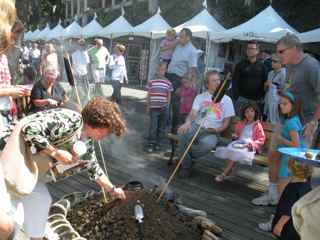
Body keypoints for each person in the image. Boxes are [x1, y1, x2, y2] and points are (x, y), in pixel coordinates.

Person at [0, 97, 127, 239]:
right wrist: (55, 152)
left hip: (25, 169)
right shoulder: (72, 119)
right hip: (7, 159)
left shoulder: (86, 140)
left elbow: (93, 166)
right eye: (106, 130)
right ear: (98, 123)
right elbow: (29, 129)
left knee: (41, 200)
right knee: (9, 224)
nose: (106, 135)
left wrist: (112, 189)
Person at [252, 34, 320, 206]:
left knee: (294, 168)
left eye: (281, 51)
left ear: (295, 49)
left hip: (304, 124)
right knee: (273, 156)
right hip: (286, 119)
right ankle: (273, 195)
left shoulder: (311, 66)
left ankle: (287, 210)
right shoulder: (289, 66)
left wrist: (313, 122)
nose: (278, 56)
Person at [177, 70, 235, 178]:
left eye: (218, 80)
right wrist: (188, 122)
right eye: (214, 81)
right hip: (197, 125)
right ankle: (186, 166)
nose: (218, 83)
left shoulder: (227, 100)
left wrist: (218, 130)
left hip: (212, 131)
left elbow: (227, 122)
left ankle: (187, 159)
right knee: (181, 133)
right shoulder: (200, 97)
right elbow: (193, 113)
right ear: (207, 84)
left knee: (208, 144)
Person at [253, 91, 306, 206]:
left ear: (293, 105)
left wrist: (280, 139)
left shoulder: (291, 122)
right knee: (286, 189)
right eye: (280, 103)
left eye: (285, 104)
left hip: (290, 159)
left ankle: (277, 217)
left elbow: (296, 145)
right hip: (291, 158)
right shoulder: (293, 119)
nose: (281, 106)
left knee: (283, 189)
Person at [258, 158, 313, 240]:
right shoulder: (307, 186)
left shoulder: (292, 188)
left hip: (287, 225)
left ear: (290, 169)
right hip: (297, 224)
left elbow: (288, 210)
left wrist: (280, 225)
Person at [214, 103, 265, 182]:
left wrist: (252, 145)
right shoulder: (241, 123)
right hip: (239, 144)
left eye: (252, 111)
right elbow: (237, 134)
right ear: (244, 114)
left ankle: (224, 174)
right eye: (247, 112)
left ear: (255, 112)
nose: (249, 114)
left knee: (235, 152)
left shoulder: (257, 125)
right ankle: (229, 170)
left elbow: (261, 139)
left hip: (249, 146)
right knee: (230, 150)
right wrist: (235, 136)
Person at [166, 28, 198, 134]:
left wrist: (183, 86)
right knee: (165, 104)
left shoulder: (193, 51)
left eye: (182, 36)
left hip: (179, 79)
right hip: (169, 76)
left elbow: (192, 70)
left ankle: (175, 134)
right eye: (179, 36)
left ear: (188, 38)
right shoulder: (178, 45)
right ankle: (162, 131)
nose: (179, 38)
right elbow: (166, 48)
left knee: (176, 109)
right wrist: (177, 40)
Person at [232, 41, 268, 115]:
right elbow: (234, 81)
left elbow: (265, 83)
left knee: (253, 123)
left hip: (256, 101)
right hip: (241, 99)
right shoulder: (240, 65)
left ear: (257, 51)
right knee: (238, 121)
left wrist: (261, 98)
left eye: (252, 48)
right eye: (248, 48)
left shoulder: (262, 67)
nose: (249, 50)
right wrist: (236, 97)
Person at [146, 62, 173, 152]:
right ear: (156, 70)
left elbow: (169, 95)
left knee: (162, 127)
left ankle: (159, 143)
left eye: (162, 70)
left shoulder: (168, 83)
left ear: (165, 71)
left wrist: (168, 106)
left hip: (164, 108)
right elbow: (149, 94)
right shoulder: (151, 81)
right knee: (153, 126)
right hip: (154, 108)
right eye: (158, 69)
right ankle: (151, 142)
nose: (160, 71)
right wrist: (148, 105)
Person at [264, 54, 286, 123]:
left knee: (277, 122)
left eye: (275, 61)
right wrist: (266, 85)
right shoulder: (270, 73)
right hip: (268, 101)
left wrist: (273, 85)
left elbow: (284, 90)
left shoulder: (284, 73)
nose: (272, 63)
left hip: (278, 103)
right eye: (271, 61)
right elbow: (266, 89)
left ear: (281, 63)